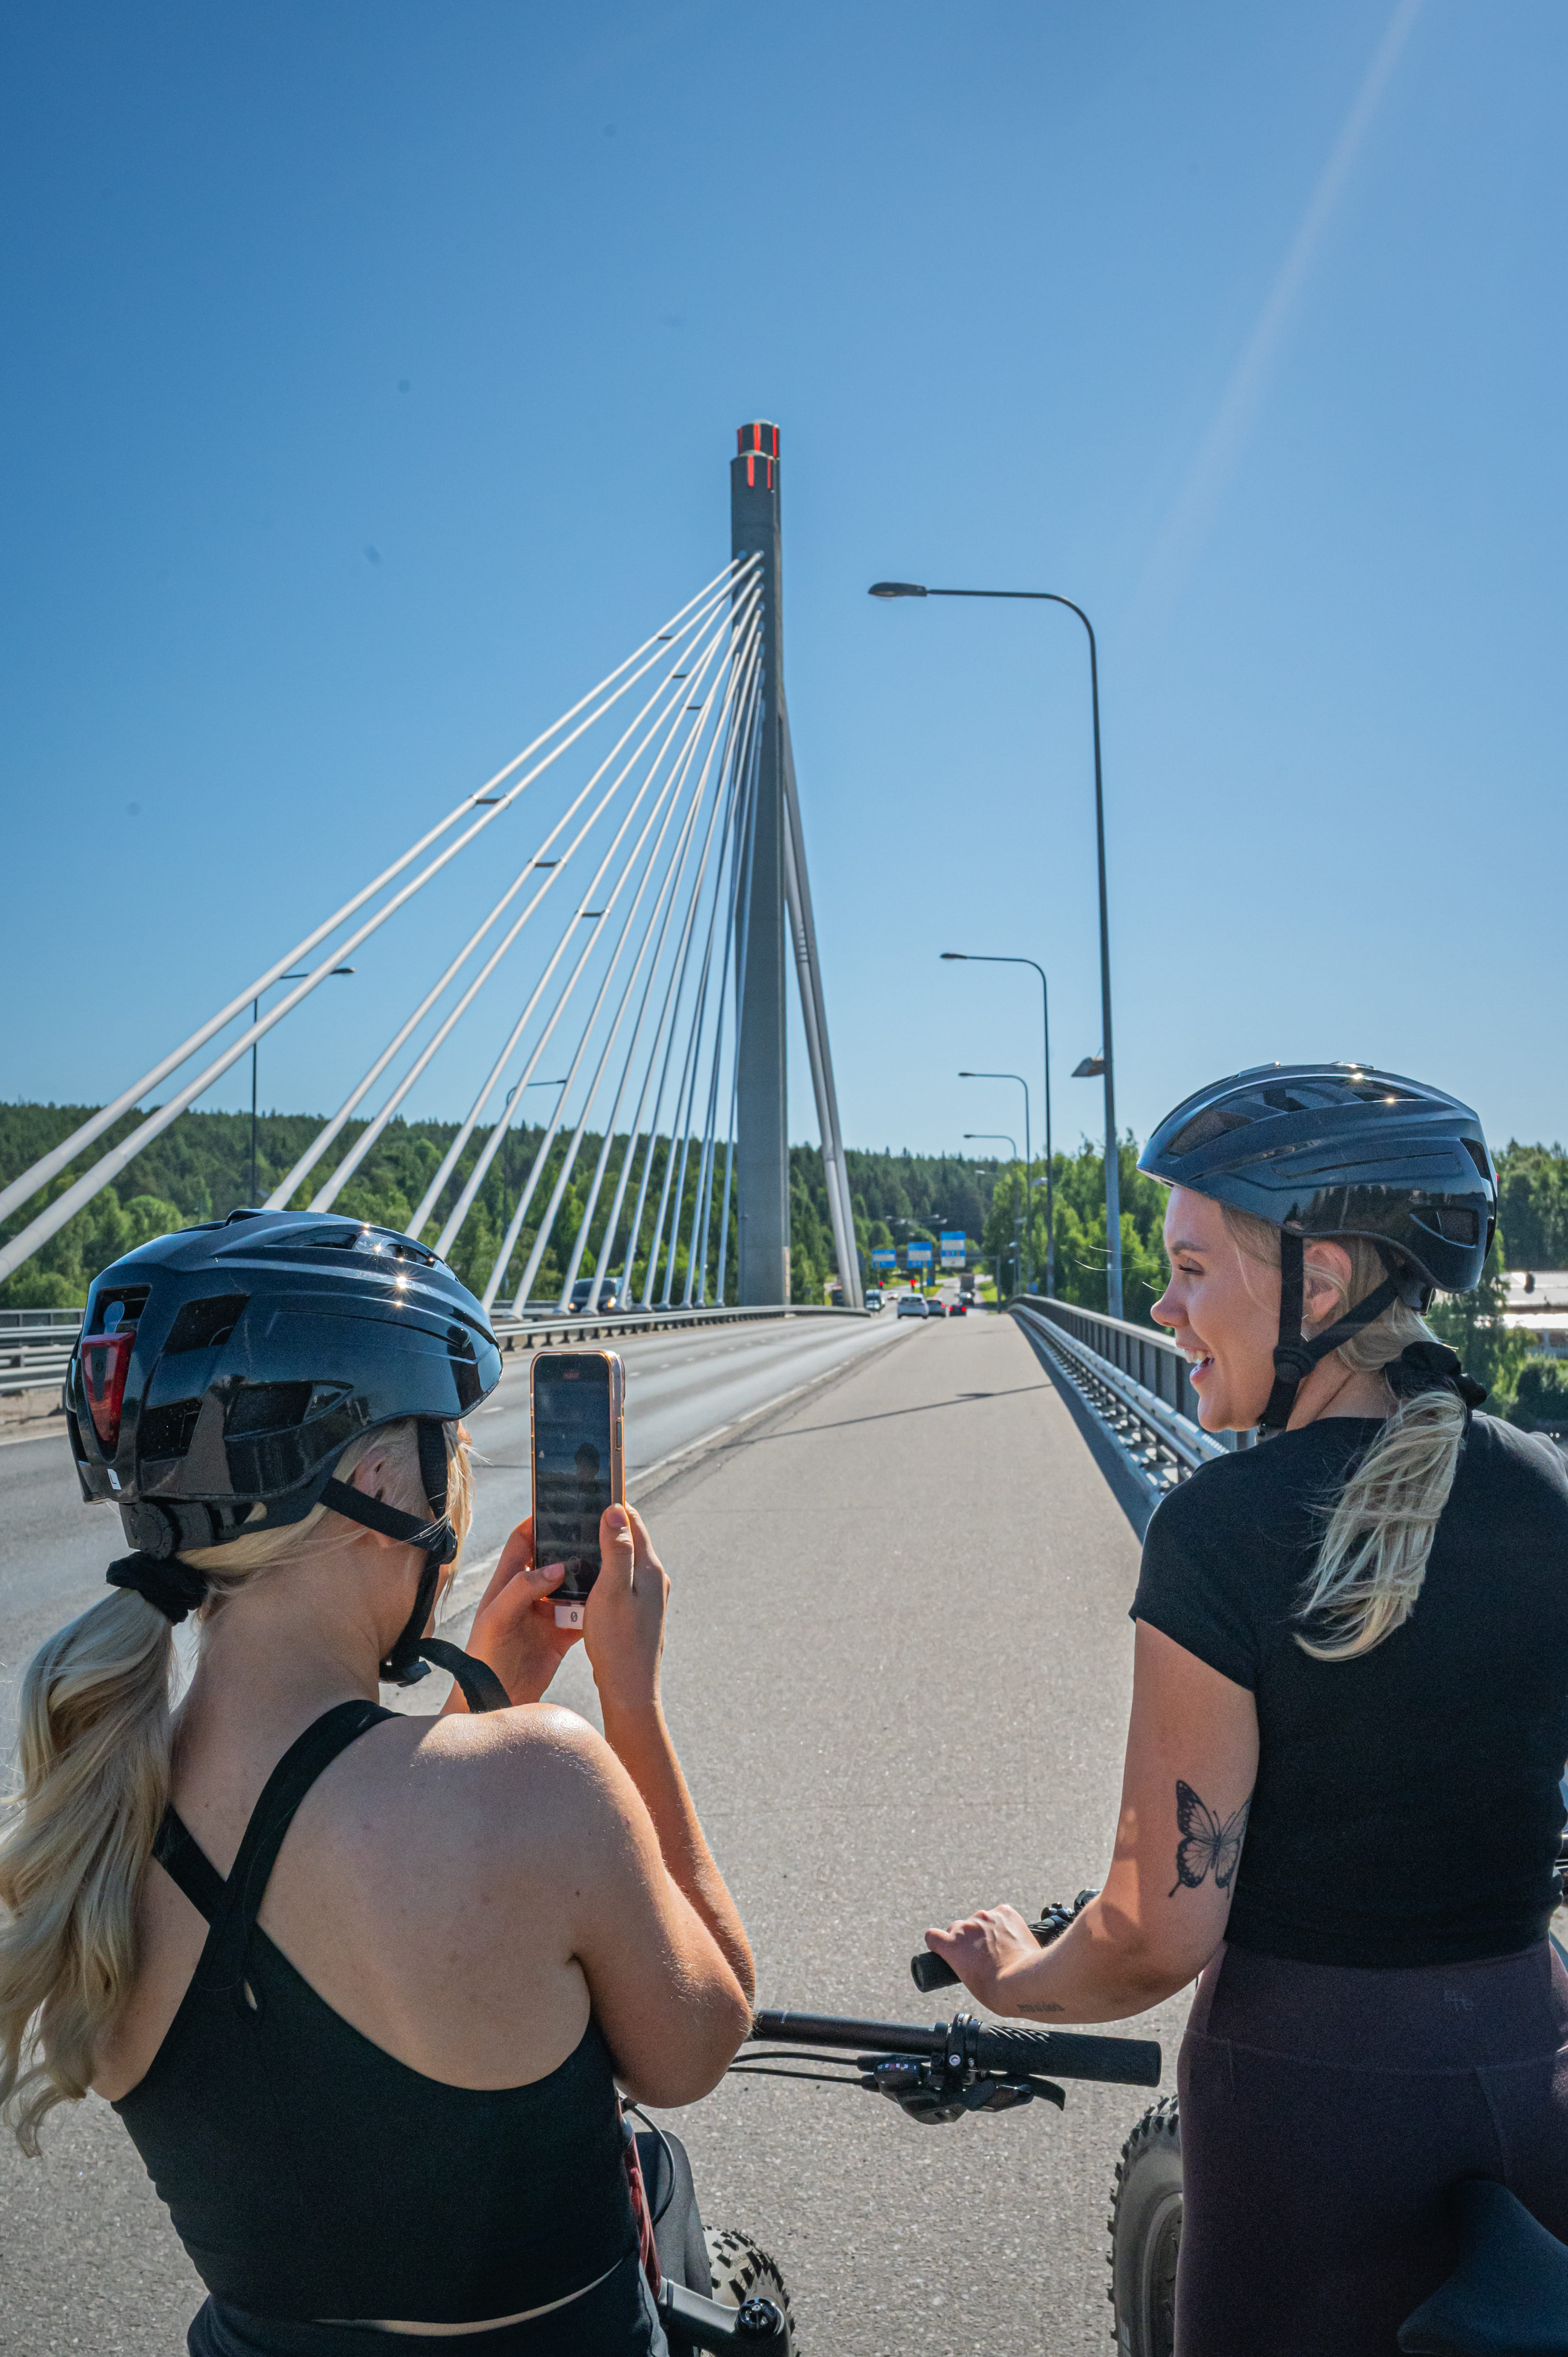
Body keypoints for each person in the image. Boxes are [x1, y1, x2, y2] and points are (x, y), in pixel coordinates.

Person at [0, 1209, 753, 2355]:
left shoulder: (96, 1824)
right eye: (447, 1441)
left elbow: (330, 1930)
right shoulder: (541, 1782)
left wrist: (480, 1693)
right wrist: (629, 1700)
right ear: (371, 1480)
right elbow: (698, 2040)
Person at [925, 1063, 1568, 2355]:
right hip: (1530, 2069)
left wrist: (1016, 1980)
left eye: (1191, 1268)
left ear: (1318, 1285)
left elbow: (1158, 1934)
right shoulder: (1542, 1490)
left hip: (1310, 2124)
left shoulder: (1220, 1528)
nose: (1162, 1308)